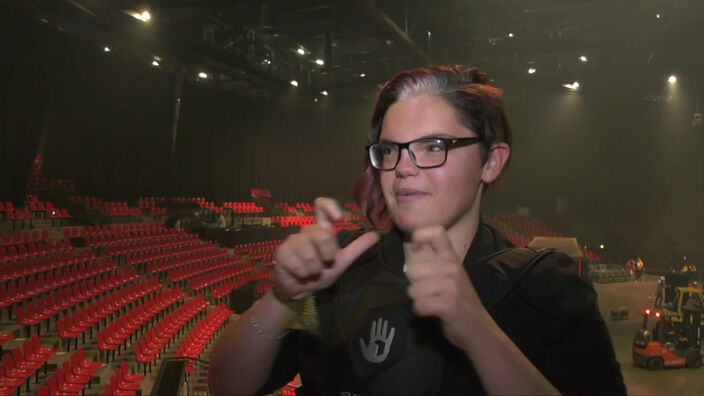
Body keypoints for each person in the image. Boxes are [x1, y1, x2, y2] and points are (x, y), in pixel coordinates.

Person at [208, 65, 626, 395]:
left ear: (492, 161)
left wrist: (480, 335)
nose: (403, 167)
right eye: (390, 150)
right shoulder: (339, 267)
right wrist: (286, 298)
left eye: (434, 146)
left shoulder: (549, 289)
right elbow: (225, 386)